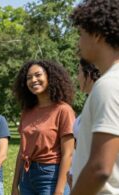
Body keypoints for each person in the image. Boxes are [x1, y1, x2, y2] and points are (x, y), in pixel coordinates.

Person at [70, 1, 119, 194]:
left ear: (97, 35)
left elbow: (100, 169)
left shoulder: (108, 85)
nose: (78, 42)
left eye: (81, 34)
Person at [11, 60, 75, 195]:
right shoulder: (26, 112)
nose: (33, 80)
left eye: (38, 75)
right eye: (29, 78)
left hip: (51, 176)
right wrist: (14, 185)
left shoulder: (63, 110)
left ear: (49, 77)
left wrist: (59, 190)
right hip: (27, 177)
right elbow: (22, 151)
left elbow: (68, 154)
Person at [67, 59, 100, 188]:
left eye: (79, 72)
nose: (77, 77)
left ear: (89, 73)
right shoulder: (90, 102)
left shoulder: (100, 102)